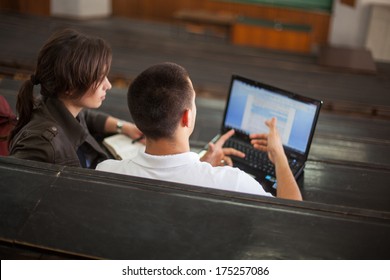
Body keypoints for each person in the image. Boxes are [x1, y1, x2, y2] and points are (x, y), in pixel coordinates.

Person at [96, 62, 302, 200]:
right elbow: (293, 214)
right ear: (187, 117)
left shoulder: (105, 172)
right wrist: (280, 156)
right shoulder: (234, 183)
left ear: (137, 120)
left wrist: (202, 165)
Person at [8, 28, 143, 168]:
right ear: (70, 87)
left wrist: (124, 127)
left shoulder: (57, 104)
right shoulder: (40, 145)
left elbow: (88, 117)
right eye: (99, 78)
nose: (108, 85)